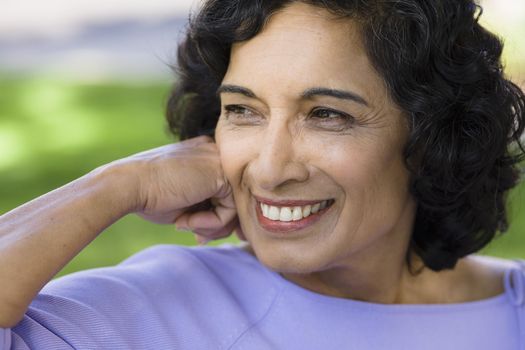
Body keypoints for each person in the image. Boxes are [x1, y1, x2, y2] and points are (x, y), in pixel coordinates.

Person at [1, 0, 525, 348]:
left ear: (434, 137)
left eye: (327, 114)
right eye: (242, 110)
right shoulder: (161, 310)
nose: (270, 169)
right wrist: (117, 184)